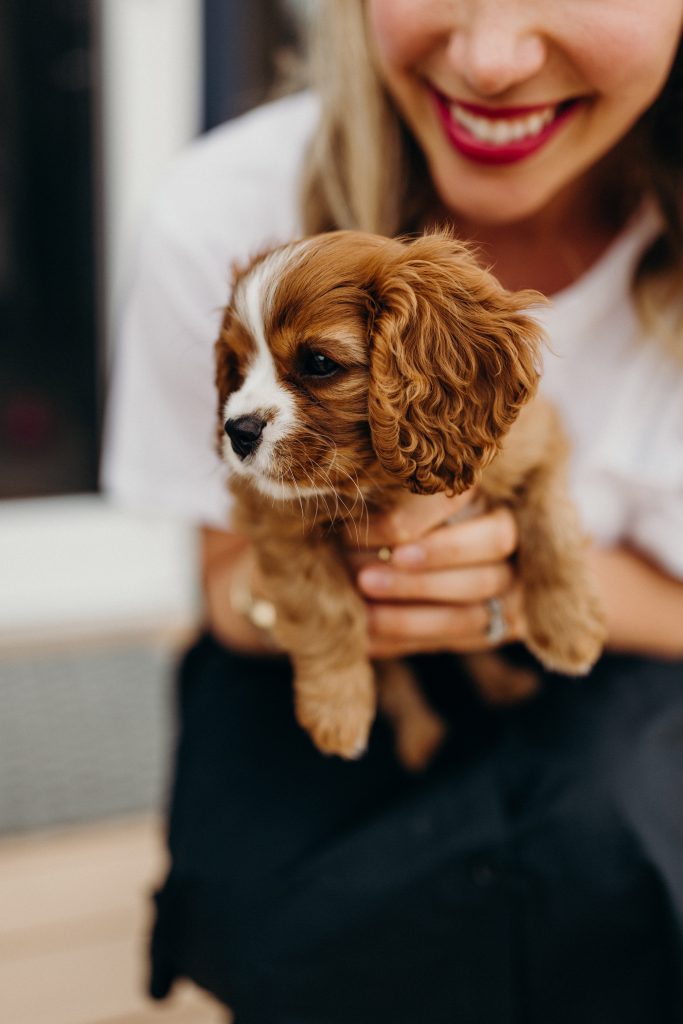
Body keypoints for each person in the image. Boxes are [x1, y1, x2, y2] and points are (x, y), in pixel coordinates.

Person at [103, 2, 683, 1021]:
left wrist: (517, 590)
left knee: (610, 846)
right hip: (316, 641)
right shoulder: (219, 202)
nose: (491, 57)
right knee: (286, 898)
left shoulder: (472, 364)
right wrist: (321, 614)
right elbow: (230, 580)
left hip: (630, 666)